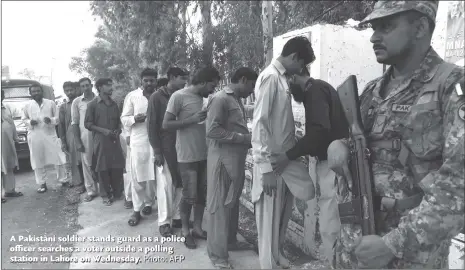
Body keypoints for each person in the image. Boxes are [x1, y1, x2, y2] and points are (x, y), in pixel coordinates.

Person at [327, 1, 465, 269]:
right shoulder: (372, 91)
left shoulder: (451, 87)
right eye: (374, 28)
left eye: (386, 27)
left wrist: (394, 244)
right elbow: (369, 148)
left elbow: (458, 187)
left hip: (408, 257)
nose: (374, 37)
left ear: (421, 27)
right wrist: (339, 145)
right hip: (354, 250)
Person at [271, 65, 349, 266]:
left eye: (288, 81)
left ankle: (335, 264)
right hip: (332, 162)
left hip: (332, 164)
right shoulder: (320, 89)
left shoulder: (314, 91)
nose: (288, 87)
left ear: (295, 76)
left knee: (329, 222)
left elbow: (319, 132)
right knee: (331, 218)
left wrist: (289, 155)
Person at [251, 36, 316, 269]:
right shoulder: (270, 77)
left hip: (284, 163)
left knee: (281, 217)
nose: (301, 70)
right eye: (301, 64)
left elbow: (279, 122)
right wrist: (265, 168)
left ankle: (277, 258)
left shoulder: (281, 78)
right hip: (271, 164)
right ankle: (268, 264)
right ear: (294, 57)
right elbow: (260, 123)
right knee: (268, 221)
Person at [205, 67, 257, 269]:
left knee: (231, 204)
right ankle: (218, 256)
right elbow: (213, 131)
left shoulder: (235, 99)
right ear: (243, 79)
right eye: (251, 85)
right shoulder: (221, 99)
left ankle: (230, 241)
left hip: (233, 160)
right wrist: (244, 139)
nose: (251, 90)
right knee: (218, 208)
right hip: (222, 161)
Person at [162, 66, 220, 249]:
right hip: (187, 156)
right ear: (202, 82)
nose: (213, 90)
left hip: (205, 154)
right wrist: (192, 120)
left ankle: (197, 229)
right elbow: (166, 124)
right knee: (189, 196)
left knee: (201, 194)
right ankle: (185, 231)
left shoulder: (207, 99)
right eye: (212, 85)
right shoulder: (178, 96)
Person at [147, 67, 189, 236]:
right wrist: (157, 150)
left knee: (181, 183)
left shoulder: (183, 95)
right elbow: (151, 125)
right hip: (165, 147)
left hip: (183, 146)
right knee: (165, 184)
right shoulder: (157, 97)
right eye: (182, 78)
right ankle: (164, 221)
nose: (185, 81)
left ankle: (178, 216)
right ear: (172, 77)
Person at [121, 68, 158, 226]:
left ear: (156, 81)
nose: (149, 83)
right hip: (140, 140)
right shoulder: (133, 96)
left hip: (157, 141)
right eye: (146, 80)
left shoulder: (160, 96)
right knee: (138, 176)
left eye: (152, 80)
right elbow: (124, 118)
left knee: (155, 175)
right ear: (141, 81)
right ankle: (137, 210)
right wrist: (134, 119)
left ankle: (149, 204)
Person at [84, 78, 125, 206]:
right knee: (103, 168)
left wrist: (118, 130)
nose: (111, 87)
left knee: (117, 165)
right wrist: (103, 131)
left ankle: (118, 192)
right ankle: (105, 195)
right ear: (100, 87)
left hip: (114, 140)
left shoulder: (114, 104)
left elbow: (119, 121)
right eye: (108, 85)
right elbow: (88, 124)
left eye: (111, 85)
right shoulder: (92, 104)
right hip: (101, 141)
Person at [22, 84, 67, 193]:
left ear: (41, 91)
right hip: (35, 135)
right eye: (34, 91)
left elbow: (57, 119)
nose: (36, 93)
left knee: (58, 156)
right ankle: (42, 184)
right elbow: (24, 119)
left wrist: (50, 120)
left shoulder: (50, 103)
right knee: (37, 160)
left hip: (50, 134)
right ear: (30, 93)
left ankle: (63, 180)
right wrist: (30, 122)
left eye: (38, 91)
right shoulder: (27, 105)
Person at [72, 77, 98, 202]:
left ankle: (106, 188)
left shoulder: (99, 99)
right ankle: (91, 190)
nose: (85, 88)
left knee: (101, 162)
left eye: (87, 85)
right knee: (87, 164)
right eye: (82, 86)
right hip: (85, 137)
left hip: (100, 135)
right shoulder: (77, 102)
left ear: (91, 85)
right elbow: (75, 123)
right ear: (80, 88)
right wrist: (77, 141)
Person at [59, 81, 85, 192]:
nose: (69, 92)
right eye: (67, 91)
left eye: (71, 90)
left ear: (76, 89)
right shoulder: (63, 107)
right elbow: (61, 125)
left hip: (84, 132)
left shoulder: (82, 102)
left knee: (87, 158)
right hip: (71, 135)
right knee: (76, 160)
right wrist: (63, 142)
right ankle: (80, 183)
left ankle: (92, 181)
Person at [2, 90, 22, 201]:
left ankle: (9, 191)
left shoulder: (6, 108)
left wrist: (16, 139)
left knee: (9, 166)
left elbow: (12, 125)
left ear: (3, 96)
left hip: (8, 143)